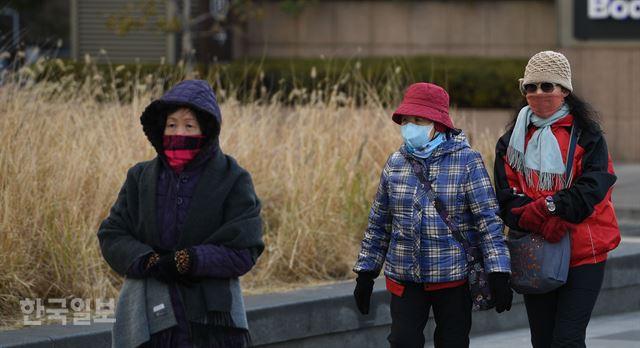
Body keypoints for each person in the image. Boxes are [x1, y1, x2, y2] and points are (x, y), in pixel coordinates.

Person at [97, 80, 264, 347]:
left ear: (206, 131)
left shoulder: (233, 178)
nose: (178, 132)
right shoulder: (140, 177)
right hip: (151, 316)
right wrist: (147, 261)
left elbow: (244, 250)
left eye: (189, 125)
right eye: (171, 125)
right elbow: (112, 234)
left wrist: (189, 260)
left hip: (211, 325)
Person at [353, 82, 512, 348]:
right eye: (406, 120)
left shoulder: (467, 161)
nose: (410, 127)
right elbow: (379, 222)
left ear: (438, 123)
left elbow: (488, 221)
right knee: (402, 341)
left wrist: (499, 271)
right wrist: (366, 273)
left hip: (453, 277)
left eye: (418, 120)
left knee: (452, 342)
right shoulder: (396, 163)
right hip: (406, 276)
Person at [493, 50, 621, 348]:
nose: (538, 93)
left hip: (584, 252)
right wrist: (536, 215)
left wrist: (551, 208)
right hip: (536, 250)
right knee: (543, 340)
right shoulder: (510, 142)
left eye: (547, 86)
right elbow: (505, 197)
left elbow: (593, 188)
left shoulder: (589, 136)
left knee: (567, 339)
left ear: (564, 90)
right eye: (531, 87)